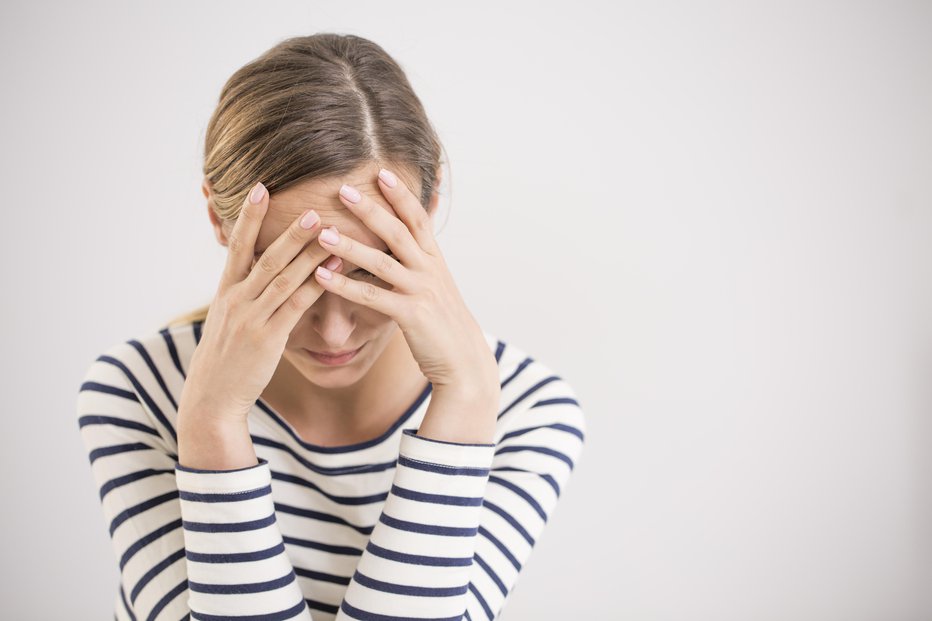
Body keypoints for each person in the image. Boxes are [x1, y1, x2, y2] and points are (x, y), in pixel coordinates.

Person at [76, 33, 586, 621]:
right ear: (220, 218)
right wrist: (212, 424)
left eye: (370, 270)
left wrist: (466, 400)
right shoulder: (138, 390)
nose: (335, 333)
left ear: (432, 200)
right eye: (294, 277)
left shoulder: (526, 409)